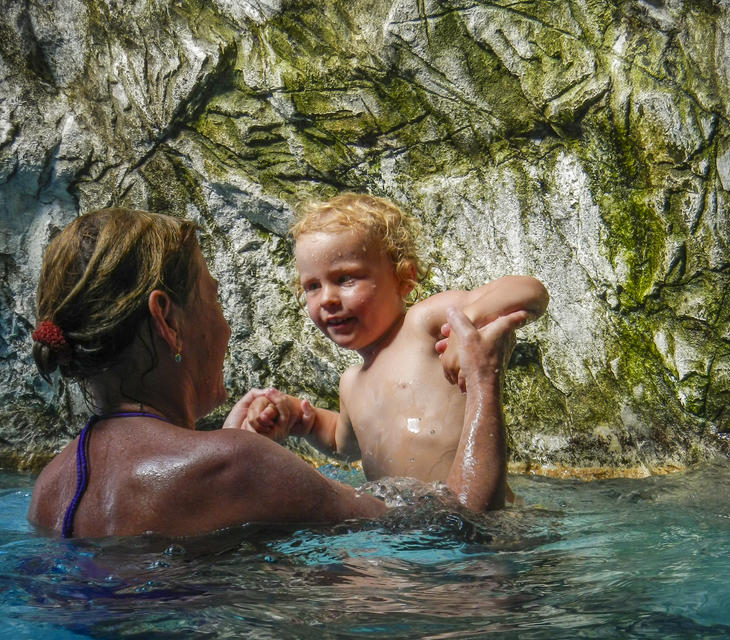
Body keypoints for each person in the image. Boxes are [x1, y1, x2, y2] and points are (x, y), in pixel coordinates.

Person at [27, 207, 516, 538]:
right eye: (215, 297)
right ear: (167, 321)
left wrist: (223, 443)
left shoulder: (49, 489)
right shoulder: (239, 466)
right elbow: (457, 522)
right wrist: (483, 382)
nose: (226, 324)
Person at [240, 193, 548, 508]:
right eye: (313, 286)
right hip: (412, 537)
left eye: (345, 278)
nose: (327, 299)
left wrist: (464, 325)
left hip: (484, 516)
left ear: (404, 278)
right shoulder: (351, 382)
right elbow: (342, 444)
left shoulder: (423, 325)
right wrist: (301, 420)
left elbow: (529, 291)